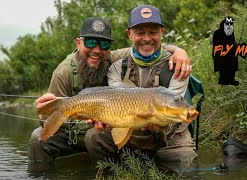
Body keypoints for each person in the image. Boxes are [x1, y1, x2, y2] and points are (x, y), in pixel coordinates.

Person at [28, 16, 193, 168]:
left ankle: (112, 170)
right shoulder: (63, 72)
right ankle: (40, 175)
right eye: (91, 43)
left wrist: (178, 51)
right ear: (78, 42)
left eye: (104, 44)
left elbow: (146, 46)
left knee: (96, 136)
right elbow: (48, 121)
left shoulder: (112, 58)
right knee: (38, 138)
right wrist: (44, 111)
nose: (97, 50)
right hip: (74, 132)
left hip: (103, 129)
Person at [85, 5, 198, 171]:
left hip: (171, 137)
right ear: (129, 34)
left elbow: (175, 107)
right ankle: (120, 170)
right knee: (94, 137)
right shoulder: (117, 68)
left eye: (152, 32)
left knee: (187, 163)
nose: (147, 38)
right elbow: (121, 100)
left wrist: (161, 123)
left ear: (162, 32)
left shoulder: (177, 65)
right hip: (132, 131)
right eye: (140, 32)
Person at [212, 17, 239, 86]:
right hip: (222, 56)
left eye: (231, 24)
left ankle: (231, 80)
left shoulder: (231, 32)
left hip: (231, 56)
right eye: (227, 24)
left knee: (232, 68)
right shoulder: (217, 33)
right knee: (224, 69)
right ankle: (223, 82)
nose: (229, 25)